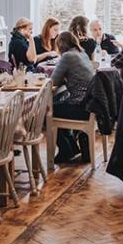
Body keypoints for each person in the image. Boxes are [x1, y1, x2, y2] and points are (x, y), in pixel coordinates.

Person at [50, 31, 96, 163]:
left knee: (47, 110)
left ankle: (66, 149)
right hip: (90, 104)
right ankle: (70, 148)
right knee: (59, 104)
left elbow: (53, 81)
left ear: (61, 44)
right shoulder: (82, 53)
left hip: (80, 106)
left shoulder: (67, 56)